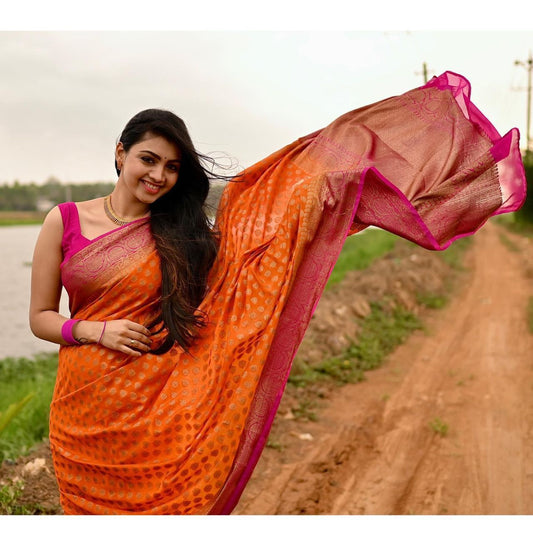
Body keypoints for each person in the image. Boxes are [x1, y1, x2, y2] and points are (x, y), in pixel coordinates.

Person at [29, 71, 526, 515]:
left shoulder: (182, 233)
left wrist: (316, 195)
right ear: (121, 153)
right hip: (82, 409)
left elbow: (247, 262)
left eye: (173, 167)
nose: (158, 176)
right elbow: (41, 318)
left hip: (155, 404)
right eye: (148, 159)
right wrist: (96, 329)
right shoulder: (64, 220)